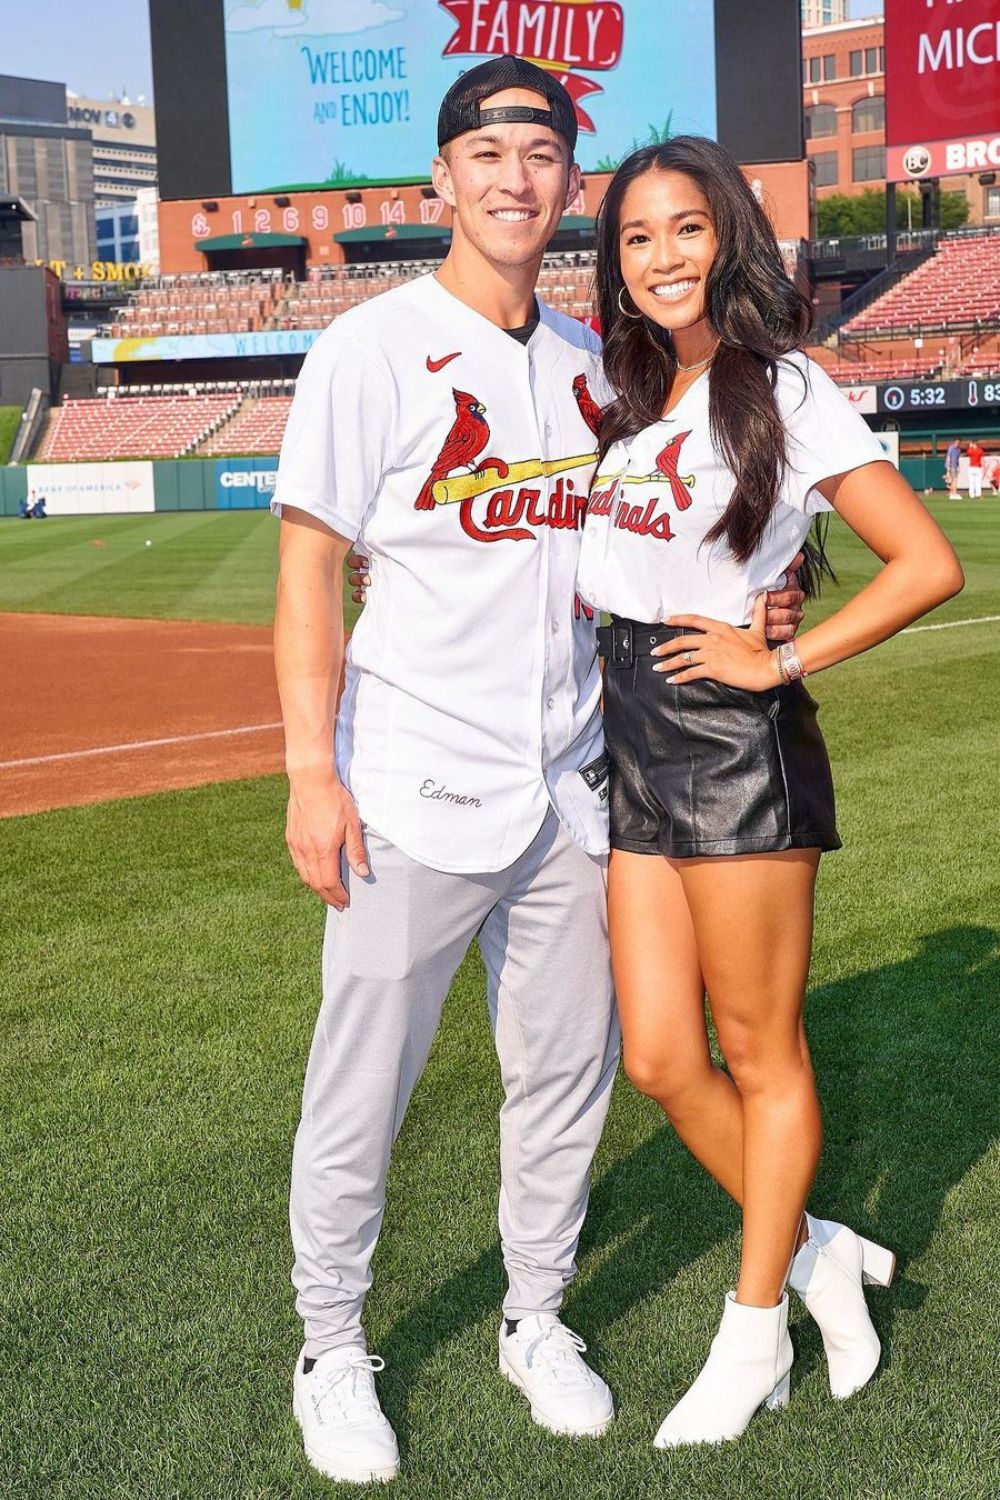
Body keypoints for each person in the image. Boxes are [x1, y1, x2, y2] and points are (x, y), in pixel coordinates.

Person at [271, 62, 804, 1485]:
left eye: (543, 153)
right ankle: (331, 1346)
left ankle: (536, 1316)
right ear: (439, 182)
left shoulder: (598, 361)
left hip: (575, 781)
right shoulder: (368, 349)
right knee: (363, 1085)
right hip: (408, 781)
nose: (516, 176)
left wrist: (772, 597)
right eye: (487, 150)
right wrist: (309, 777)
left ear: (572, 185)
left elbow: (676, 533)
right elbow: (311, 572)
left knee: (561, 1079)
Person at [576, 135, 964, 1449]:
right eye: (636, 238)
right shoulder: (628, 400)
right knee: (660, 1055)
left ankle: (752, 1339)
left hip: (732, 741)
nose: (663, 256)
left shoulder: (786, 387)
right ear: (615, 265)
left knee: (759, 1049)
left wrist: (778, 653)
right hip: (630, 735)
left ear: (728, 239)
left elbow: (923, 562)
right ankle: (819, 1255)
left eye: (686, 230)